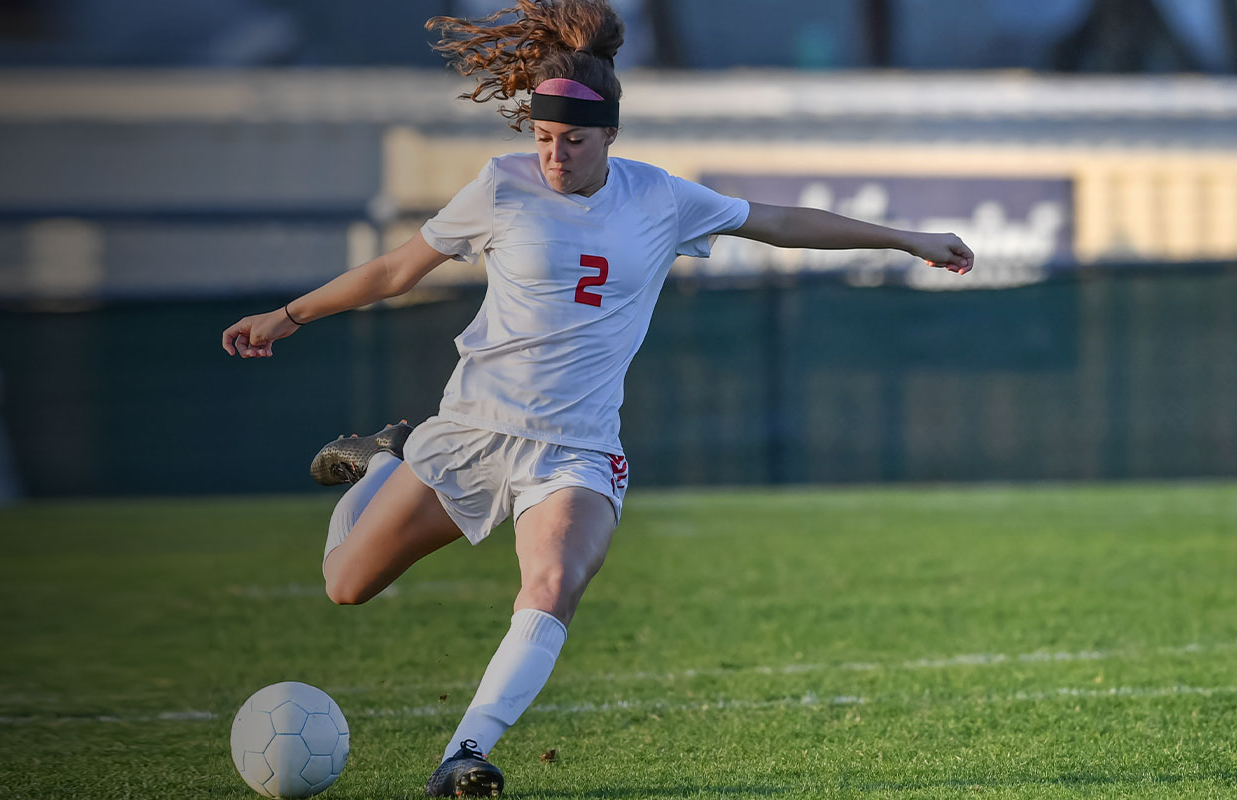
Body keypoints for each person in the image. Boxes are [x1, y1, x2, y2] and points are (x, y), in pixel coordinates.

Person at [219, 1, 975, 795]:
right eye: (543, 138)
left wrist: (907, 238)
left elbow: (782, 221)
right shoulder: (501, 186)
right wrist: (289, 314)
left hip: (575, 448)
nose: (554, 156)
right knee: (345, 583)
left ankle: (464, 756)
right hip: (472, 432)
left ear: (611, 133)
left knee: (550, 586)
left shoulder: (659, 198)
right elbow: (392, 272)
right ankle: (381, 463)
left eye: (573, 141)